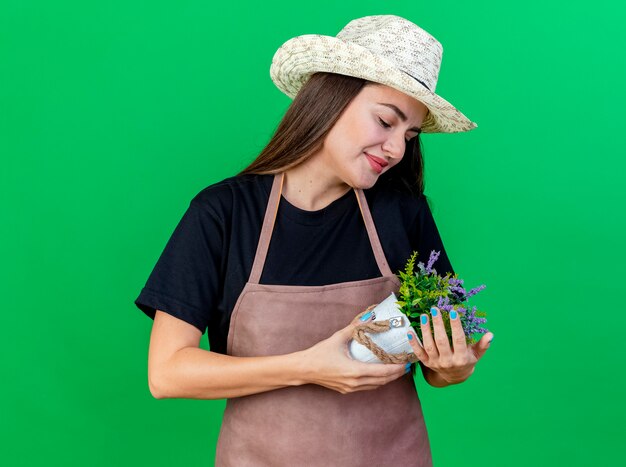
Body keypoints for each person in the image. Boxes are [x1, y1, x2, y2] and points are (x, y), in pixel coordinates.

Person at [135, 14, 493, 466]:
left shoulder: (403, 214)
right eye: (385, 120)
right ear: (330, 98)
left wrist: (452, 368)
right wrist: (307, 366)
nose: (398, 149)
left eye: (410, 134)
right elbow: (168, 373)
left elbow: (436, 363)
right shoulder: (224, 214)